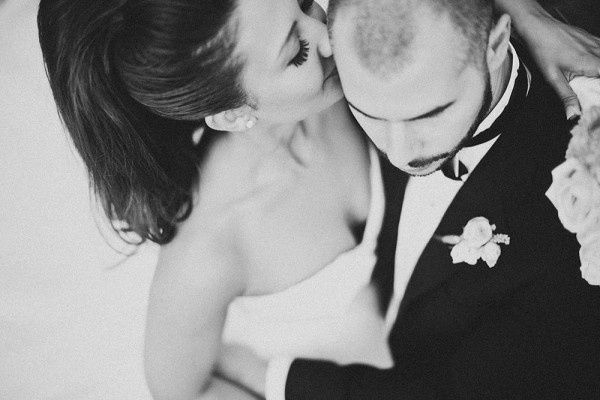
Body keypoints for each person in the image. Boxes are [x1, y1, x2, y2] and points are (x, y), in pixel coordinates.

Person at [36, 0, 600, 399]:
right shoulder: (208, 252)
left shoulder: (356, 72)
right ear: (233, 113)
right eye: (296, 50)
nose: (328, 35)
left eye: (305, 2)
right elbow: (182, 391)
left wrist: (527, 16)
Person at [236, 0, 600, 399]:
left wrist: (272, 378)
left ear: (495, 45)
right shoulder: (355, 54)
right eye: (369, 114)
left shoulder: (581, 208)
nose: (400, 153)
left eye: (428, 115)